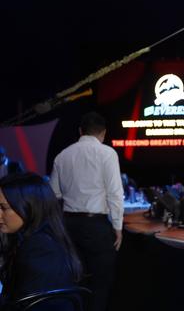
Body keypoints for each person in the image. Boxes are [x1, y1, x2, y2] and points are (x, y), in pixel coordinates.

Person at [49, 112, 124, 311]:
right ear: (104, 133)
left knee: (72, 281)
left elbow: (54, 195)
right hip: (96, 227)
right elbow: (115, 193)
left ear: (80, 131)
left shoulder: (62, 156)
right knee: (100, 284)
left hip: (67, 226)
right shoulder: (107, 153)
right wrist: (118, 227)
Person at [0, 172, 83, 310]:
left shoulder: (39, 248)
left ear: (30, 207)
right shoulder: (39, 237)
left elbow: (23, 304)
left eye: (4, 208)